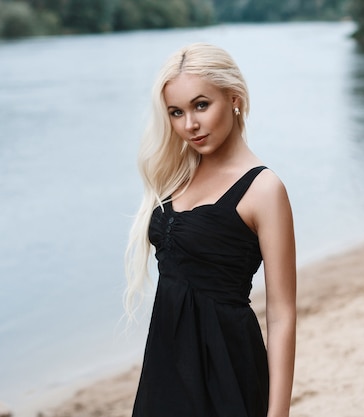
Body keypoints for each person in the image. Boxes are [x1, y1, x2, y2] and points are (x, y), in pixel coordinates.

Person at [125, 42, 296, 417]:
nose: (190, 125)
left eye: (201, 105)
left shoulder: (264, 189)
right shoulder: (175, 178)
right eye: (176, 112)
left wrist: (278, 413)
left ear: (234, 99)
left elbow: (282, 313)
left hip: (227, 371)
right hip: (164, 370)